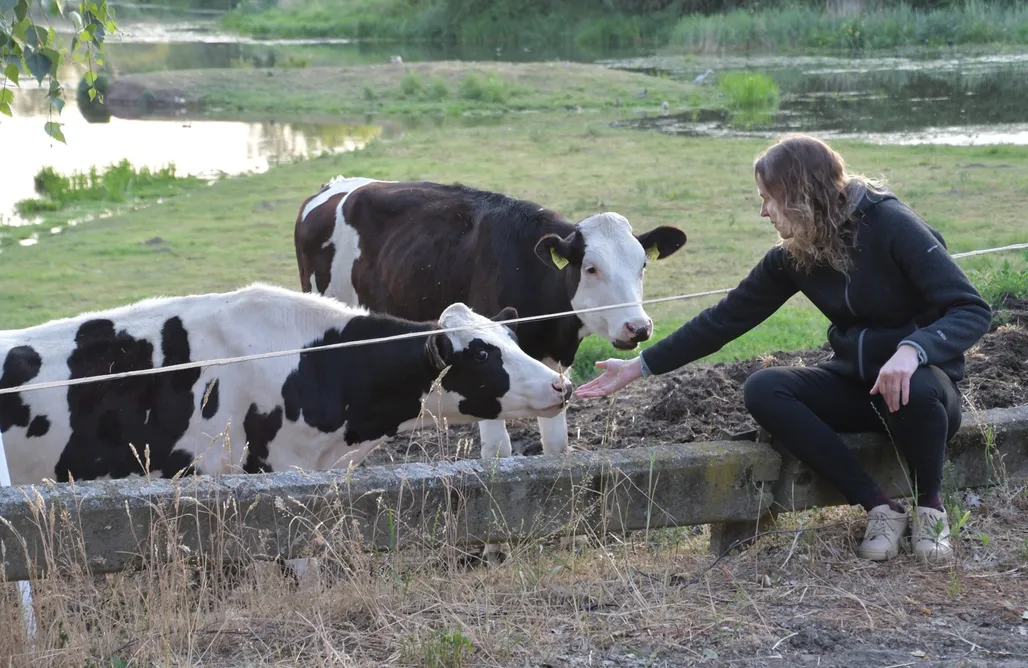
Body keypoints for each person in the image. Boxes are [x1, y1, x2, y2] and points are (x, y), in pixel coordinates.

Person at [575, 133, 993, 562]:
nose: (763, 211)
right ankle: (880, 509)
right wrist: (640, 366)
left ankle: (931, 510)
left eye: (768, 198)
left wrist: (912, 350)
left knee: (917, 388)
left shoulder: (892, 224)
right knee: (765, 388)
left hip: (925, 390)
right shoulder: (798, 252)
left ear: (800, 194)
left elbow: (970, 308)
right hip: (860, 385)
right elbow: (725, 318)